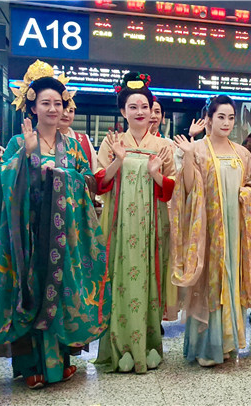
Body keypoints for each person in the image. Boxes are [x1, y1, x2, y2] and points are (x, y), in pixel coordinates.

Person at [0, 61, 108, 389]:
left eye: (58, 103)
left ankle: (61, 363)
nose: (53, 109)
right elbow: (1, 181)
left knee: (63, 289)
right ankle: (30, 365)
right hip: (29, 233)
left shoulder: (72, 145)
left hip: (64, 232)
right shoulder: (18, 142)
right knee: (30, 288)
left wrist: (63, 176)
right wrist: (25, 157)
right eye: (46, 103)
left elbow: (87, 181)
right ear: (32, 107)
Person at [169, 95, 251, 366]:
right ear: (208, 119)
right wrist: (187, 157)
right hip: (207, 230)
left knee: (232, 278)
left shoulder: (242, 153)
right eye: (220, 117)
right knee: (210, 282)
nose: (226, 123)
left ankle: (228, 343)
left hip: (235, 231)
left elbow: (250, 185)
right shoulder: (198, 149)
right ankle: (207, 348)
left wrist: (247, 195)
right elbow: (187, 188)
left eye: (231, 118)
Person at [94, 72, 176, 373]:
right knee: (119, 278)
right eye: (133, 107)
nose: (140, 112)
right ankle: (121, 346)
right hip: (120, 223)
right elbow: (99, 183)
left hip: (153, 224)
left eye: (145, 106)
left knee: (151, 277)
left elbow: (171, 186)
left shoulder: (162, 146)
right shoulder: (112, 142)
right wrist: (118, 159)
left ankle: (149, 344)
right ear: (123, 111)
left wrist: (156, 173)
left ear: (152, 110)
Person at [58, 101, 97, 170]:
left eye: (70, 111)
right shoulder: (39, 138)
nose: (65, 114)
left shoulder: (84, 140)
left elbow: (94, 171)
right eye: (63, 109)